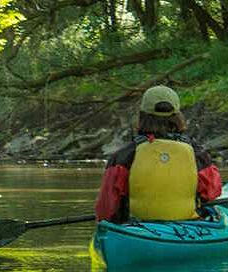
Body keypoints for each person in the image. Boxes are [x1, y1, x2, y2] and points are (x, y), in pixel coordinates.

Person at [95, 85, 221, 223]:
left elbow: (106, 208)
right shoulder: (197, 154)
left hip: (136, 230)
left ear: (142, 116)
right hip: (188, 228)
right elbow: (212, 192)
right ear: (178, 117)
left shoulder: (123, 156)